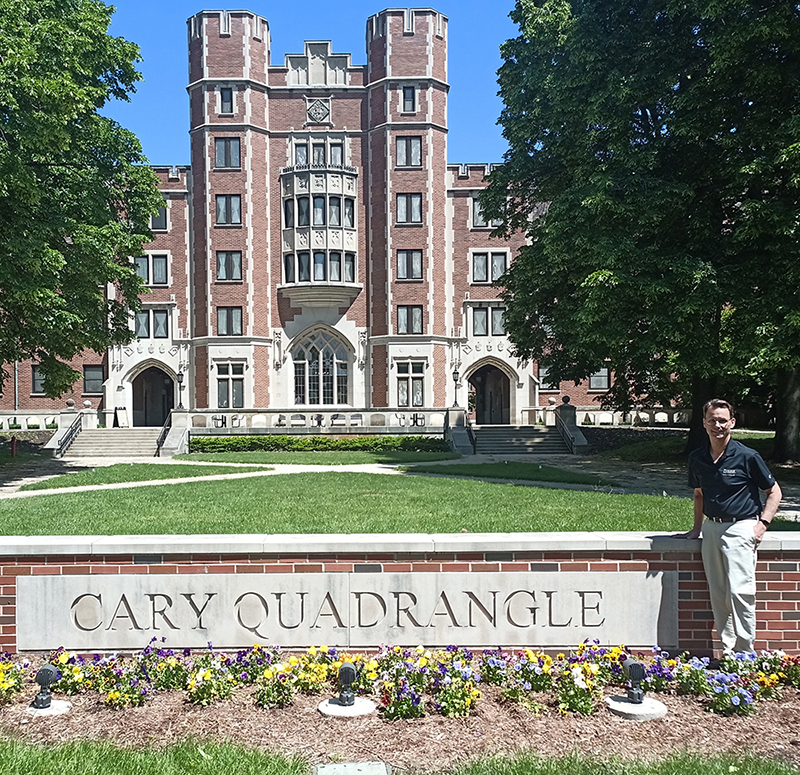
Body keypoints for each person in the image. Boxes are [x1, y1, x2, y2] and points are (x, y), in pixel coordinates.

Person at [681, 398, 782, 654]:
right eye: (712, 420)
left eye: (723, 420)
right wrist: (697, 529)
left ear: (732, 423)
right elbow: (699, 495)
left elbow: (774, 492)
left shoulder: (748, 456)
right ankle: (728, 652)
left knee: (740, 592)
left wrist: (762, 525)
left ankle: (745, 652)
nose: (718, 425)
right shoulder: (697, 458)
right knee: (718, 592)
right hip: (712, 529)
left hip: (741, 528)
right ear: (704, 423)